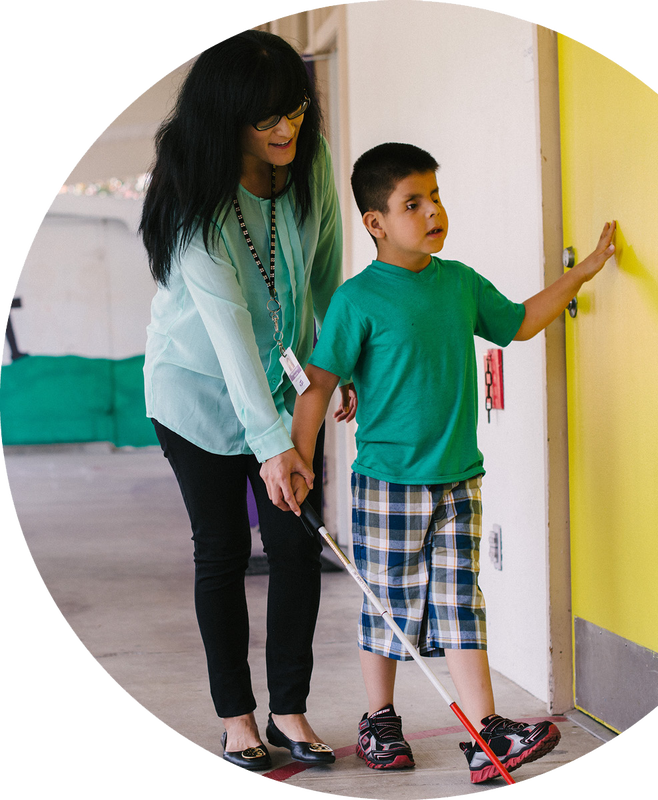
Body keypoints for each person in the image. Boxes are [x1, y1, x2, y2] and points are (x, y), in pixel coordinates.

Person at [280, 142, 615, 784]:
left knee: (462, 599)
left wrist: (585, 273)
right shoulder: (357, 300)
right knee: (389, 604)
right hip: (388, 482)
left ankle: (484, 734)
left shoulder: (459, 282)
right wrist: (298, 454)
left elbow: (517, 323)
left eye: (436, 197)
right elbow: (320, 382)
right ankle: (379, 721)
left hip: (459, 476)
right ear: (376, 222)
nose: (433, 212)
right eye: (414, 202)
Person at [139, 30, 356, 771]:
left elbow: (326, 263)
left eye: (294, 110)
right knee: (223, 550)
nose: (287, 129)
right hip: (195, 393)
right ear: (226, 118)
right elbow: (229, 331)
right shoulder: (191, 198)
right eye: (267, 119)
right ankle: (237, 719)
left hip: (282, 382)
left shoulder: (310, 163)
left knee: (295, 544)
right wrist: (271, 446)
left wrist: (340, 357)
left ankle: (290, 711)